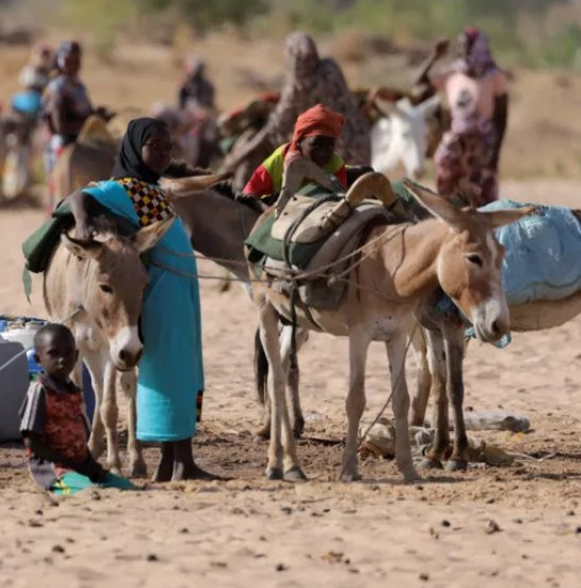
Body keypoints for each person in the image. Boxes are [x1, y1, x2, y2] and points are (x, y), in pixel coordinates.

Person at [67, 118, 215, 482]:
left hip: (183, 296)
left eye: (168, 148)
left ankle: (176, 462)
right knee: (169, 372)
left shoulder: (154, 189)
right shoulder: (123, 188)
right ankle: (179, 463)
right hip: (161, 294)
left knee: (185, 372)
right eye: (155, 147)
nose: (164, 155)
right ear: (135, 148)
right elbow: (79, 196)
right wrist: (83, 221)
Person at [228, 32, 368, 174]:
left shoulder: (298, 85)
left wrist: (248, 148)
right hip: (360, 143)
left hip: (335, 153)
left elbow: (280, 122)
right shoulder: (330, 68)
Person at [19, 324, 135, 494]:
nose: (62, 359)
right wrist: (68, 462)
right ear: (38, 359)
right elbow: (32, 441)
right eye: (53, 353)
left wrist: (91, 465)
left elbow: (78, 437)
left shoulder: (74, 392)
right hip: (53, 470)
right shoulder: (40, 391)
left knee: (127, 487)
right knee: (87, 490)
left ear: (76, 356)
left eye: (68, 353)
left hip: (81, 466)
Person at [420, 27, 509, 206]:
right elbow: (421, 83)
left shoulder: (494, 76)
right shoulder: (452, 73)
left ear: (479, 48)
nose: (462, 50)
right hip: (456, 141)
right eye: (459, 46)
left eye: (467, 46)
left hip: (482, 143)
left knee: (482, 194)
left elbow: (501, 118)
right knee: (448, 188)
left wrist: (495, 155)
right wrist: (434, 57)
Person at [240, 104, 349, 201]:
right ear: (299, 141)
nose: (323, 152)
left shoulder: (336, 164)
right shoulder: (279, 159)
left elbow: (339, 200)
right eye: (316, 145)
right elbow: (250, 192)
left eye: (330, 146)